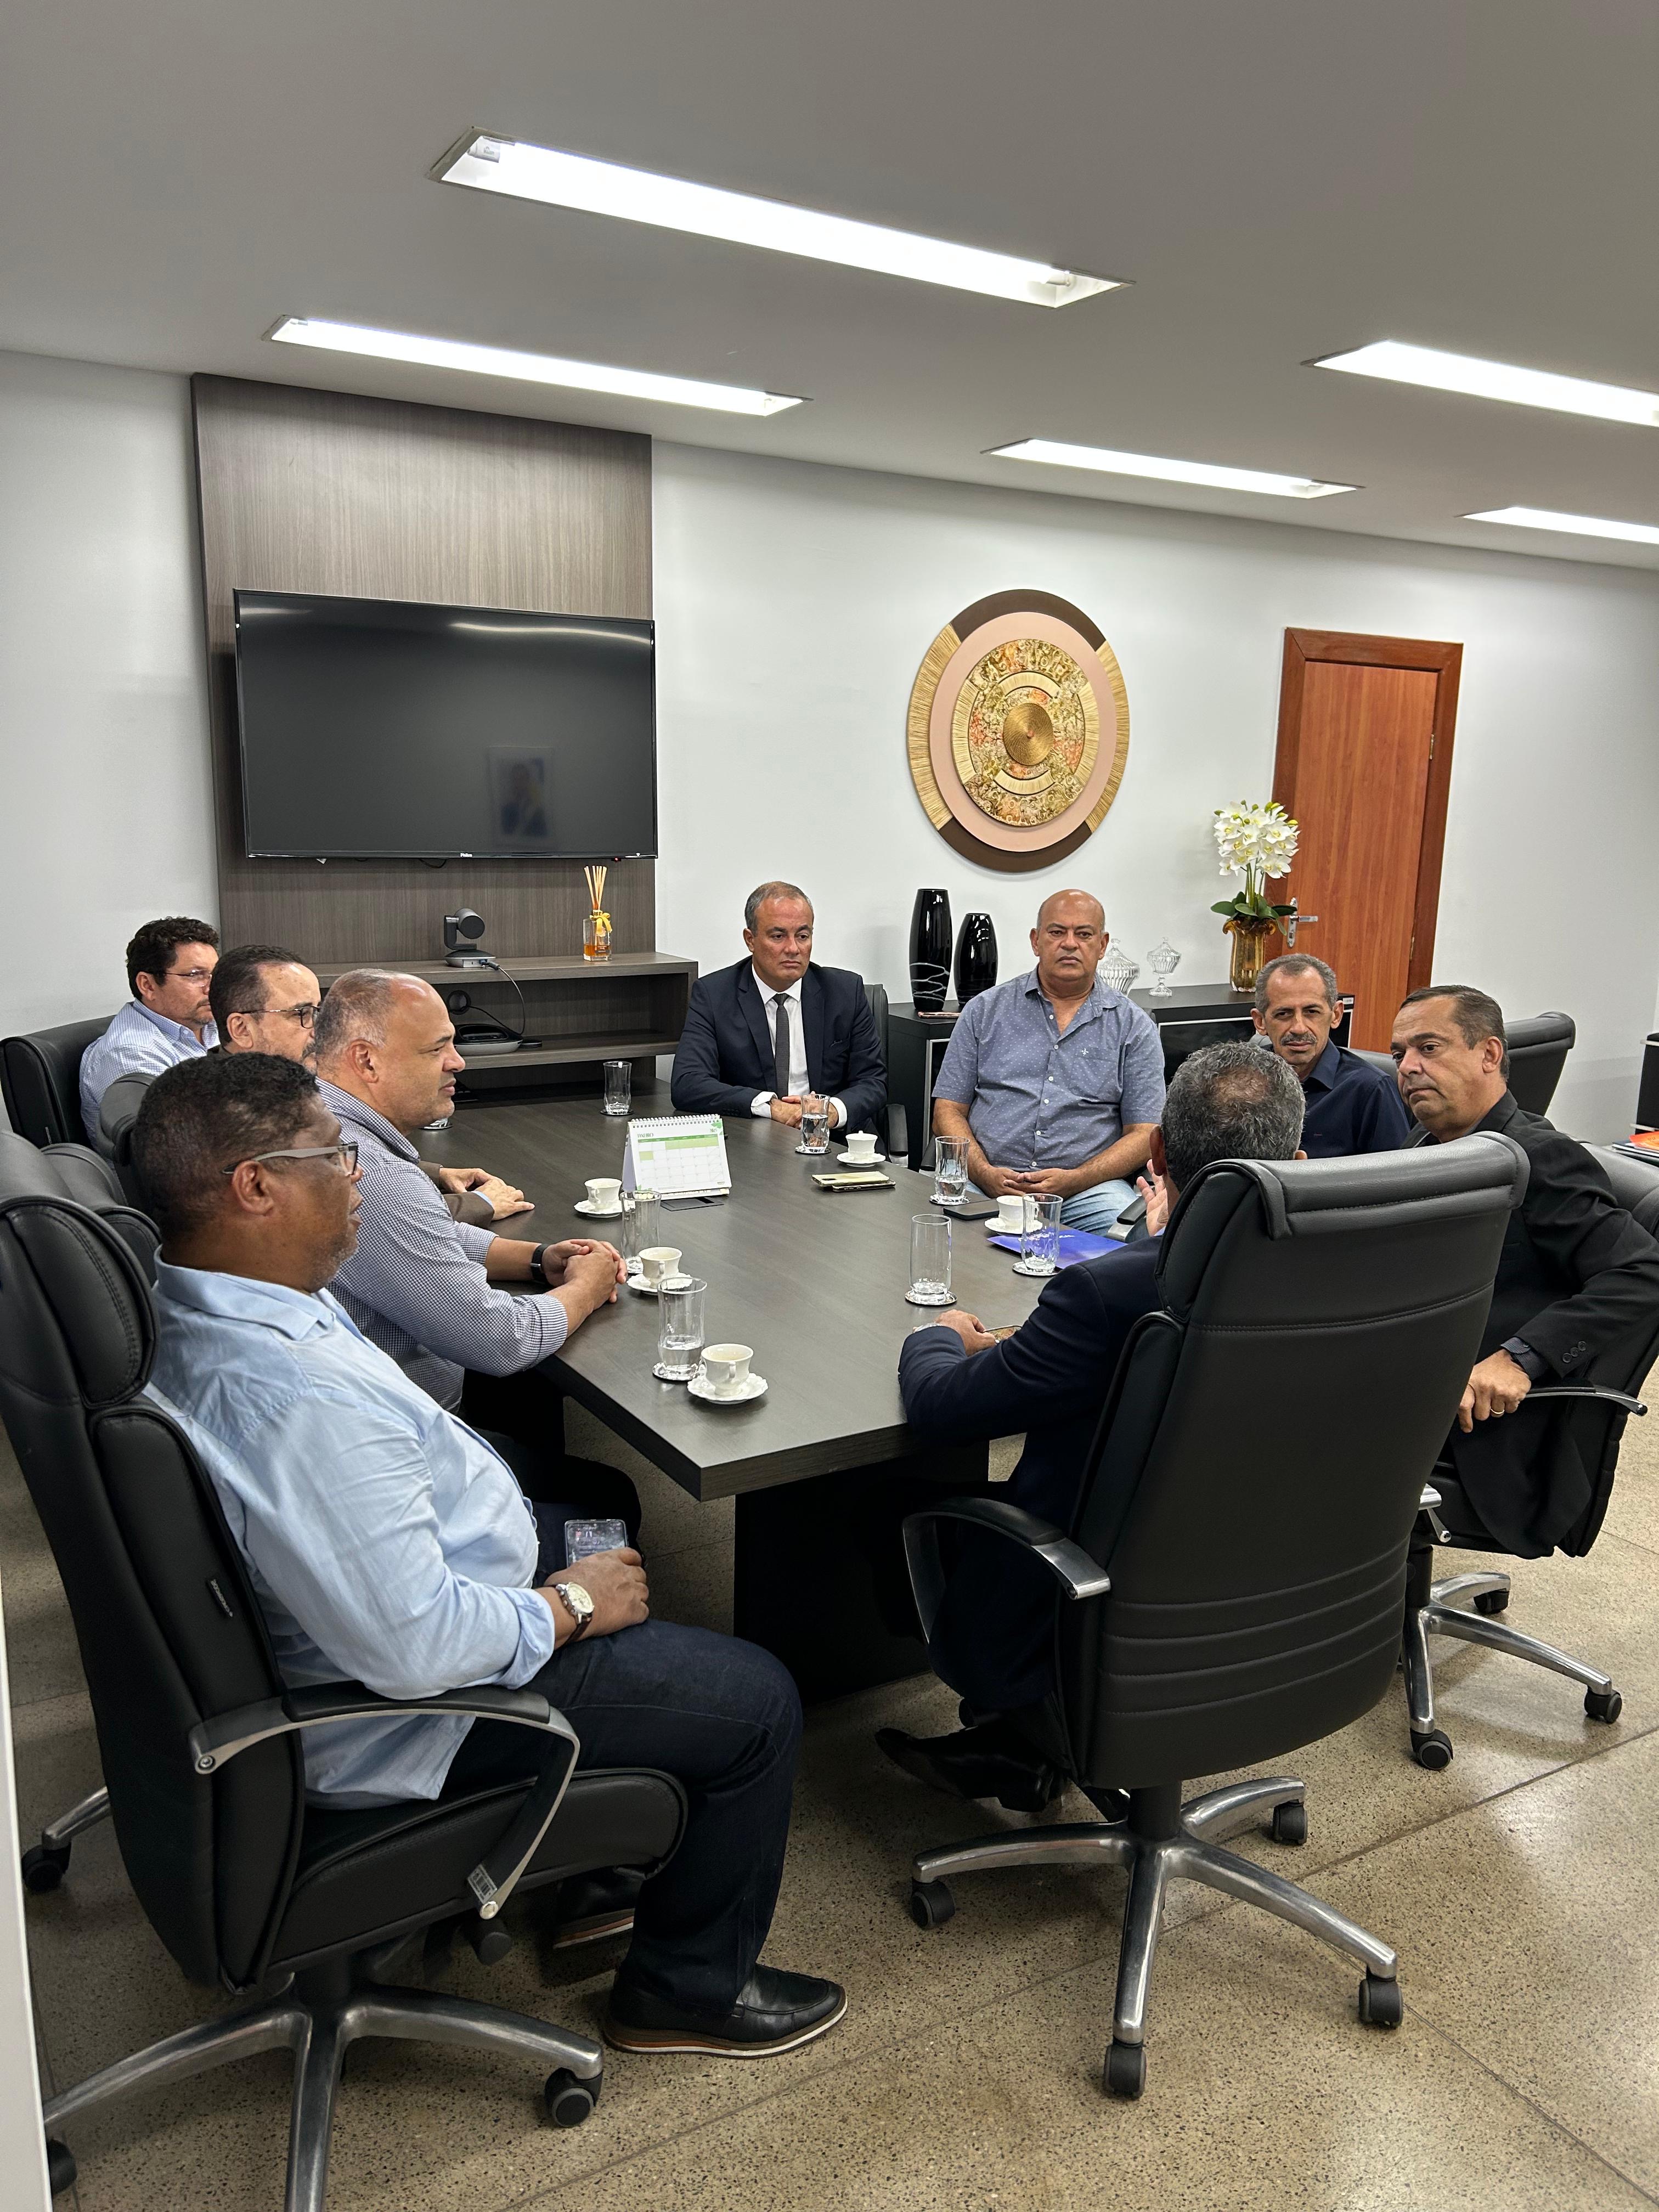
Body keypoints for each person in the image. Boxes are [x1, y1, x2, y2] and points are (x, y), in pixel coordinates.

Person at [130, 1054, 844, 2057]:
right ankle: (683, 1991)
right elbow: (416, 1646)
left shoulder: (217, 1293)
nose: (360, 1178)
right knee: (757, 1698)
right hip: (415, 1710)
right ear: (256, 1187)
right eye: (335, 1158)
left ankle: (600, 1851)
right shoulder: (295, 1399)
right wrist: (570, 1608)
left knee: (599, 1512)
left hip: (396, 1615)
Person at [881, 1042, 1307, 1810]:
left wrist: (937, 1336)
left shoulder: (1107, 1294)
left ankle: (1016, 1721)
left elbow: (942, 1408)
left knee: (896, 1506)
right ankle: (1016, 1746)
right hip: (1271, 1589)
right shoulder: (1343, 1273)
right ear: (1297, 1162)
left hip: (1095, 1596)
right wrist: (1157, 1241)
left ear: (1158, 1154)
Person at [312, 967, 638, 1528]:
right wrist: (587, 1287)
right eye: (438, 1049)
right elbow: (498, 1340)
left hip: (373, 1417)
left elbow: (424, 1235)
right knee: (609, 1495)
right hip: (407, 1445)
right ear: (366, 1061)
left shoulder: (327, 1120)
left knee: (534, 1391)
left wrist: (535, 1259)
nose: (458, 1062)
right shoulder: (374, 1173)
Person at [1392, 984, 1659, 1554]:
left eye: (1428, 1048)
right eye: (1400, 1054)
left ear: (1489, 1054)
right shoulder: (1430, 1139)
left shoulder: (1539, 1156)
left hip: (1476, 1421)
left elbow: (1645, 1271)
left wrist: (1521, 1357)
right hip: (1411, 1373)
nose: (1408, 1067)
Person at [930, 889, 1165, 1234]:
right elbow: (948, 1110)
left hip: (1088, 1192)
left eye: (1084, 934)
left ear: (1102, 945)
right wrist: (983, 1172)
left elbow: (1144, 1133)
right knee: (938, 1229)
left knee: (1129, 1236)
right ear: (1036, 941)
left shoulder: (1133, 1026)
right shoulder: (984, 1010)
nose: (1070, 944)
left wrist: (1076, 1179)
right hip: (984, 1181)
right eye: (1057, 932)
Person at [670, 882, 887, 1134]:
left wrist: (830, 1111)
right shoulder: (714, 995)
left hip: (836, 1141)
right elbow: (688, 1083)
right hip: (756, 1141)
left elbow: (873, 1082)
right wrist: (770, 1106)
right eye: (778, 936)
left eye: (803, 936)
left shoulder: (845, 992)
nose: (793, 949)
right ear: (750, 940)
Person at [1251, 953, 1413, 1158]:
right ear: (1260, 1022)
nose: (1299, 1028)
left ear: (1336, 1015)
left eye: (1312, 1012)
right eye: (1283, 1014)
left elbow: (1396, 1174)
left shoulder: (1371, 1090)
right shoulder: (1245, 1080)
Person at [79, 916, 219, 1144]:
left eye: (215, 974)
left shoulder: (213, 1024)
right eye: (195, 975)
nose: (212, 988)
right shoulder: (130, 1054)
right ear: (148, 985)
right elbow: (178, 1146)